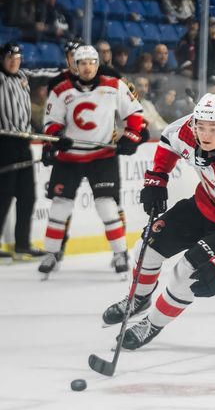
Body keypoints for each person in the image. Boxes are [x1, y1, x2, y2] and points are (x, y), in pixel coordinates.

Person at [102, 93, 215, 350]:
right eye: (201, 126)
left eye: (213, 129)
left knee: (185, 274)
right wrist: (157, 177)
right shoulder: (188, 129)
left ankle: (153, 323)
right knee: (146, 248)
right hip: (204, 205)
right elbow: (168, 141)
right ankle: (137, 299)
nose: (204, 134)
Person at [38, 45, 148, 277]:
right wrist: (56, 139)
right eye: (82, 63)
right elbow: (51, 122)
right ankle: (51, 253)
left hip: (102, 157)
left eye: (91, 62)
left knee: (107, 205)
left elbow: (135, 114)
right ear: (75, 66)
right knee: (60, 205)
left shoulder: (113, 85)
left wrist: (131, 137)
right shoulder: (61, 90)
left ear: (97, 64)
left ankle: (120, 254)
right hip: (69, 158)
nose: (87, 67)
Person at [0, 42, 46, 262]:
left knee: (27, 196)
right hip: (4, 143)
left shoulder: (22, 77)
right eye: (9, 57)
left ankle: (22, 245)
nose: (13, 61)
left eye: (17, 57)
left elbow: (49, 73)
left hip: (24, 143)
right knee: (3, 196)